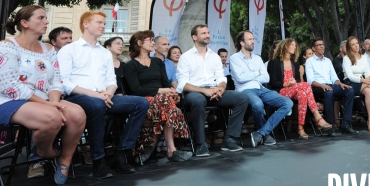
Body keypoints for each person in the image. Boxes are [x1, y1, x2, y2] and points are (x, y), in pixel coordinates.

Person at [0, 5, 86, 185]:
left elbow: (57, 80)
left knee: (77, 113)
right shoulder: (6, 46)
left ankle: (65, 160)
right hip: (5, 100)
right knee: (51, 117)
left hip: (42, 100)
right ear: (24, 22)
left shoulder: (48, 48)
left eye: (45, 18)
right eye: (40, 18)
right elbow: (10, 87)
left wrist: (55, 102)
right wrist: (49, 105)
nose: (46, 21)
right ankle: (46, 152)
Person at [58, 11, 150, 178]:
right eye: (99, 22)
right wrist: (94, 94)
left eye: (103, 23)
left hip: (104, 97)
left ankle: (121, 154)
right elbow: (64, 83)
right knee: (96, 104)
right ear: (85, 24)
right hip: (78, 98)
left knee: (141, 103)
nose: (103, 26)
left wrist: (108, 93)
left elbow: (111, 80)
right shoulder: (69, 50)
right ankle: (98, 161)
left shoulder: (104, 52)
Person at [179, 25, 249, 156]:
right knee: (198, 101)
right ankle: (200, 144)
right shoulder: (186, 57)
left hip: (214, 91)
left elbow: (221, 77)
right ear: (194, 37)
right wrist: (203, 91)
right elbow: (183, 84)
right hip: (194, 93)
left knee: (242, 98)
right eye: (203, 33)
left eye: (208, 32)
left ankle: (229, 139)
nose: (207, 35)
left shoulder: (214, 57)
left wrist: (221, 89)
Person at [124, 30, 191, 163]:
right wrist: (162, 91)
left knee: (167, 102)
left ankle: (155, 146)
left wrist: (173, 92)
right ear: (139, 43)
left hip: (162, 100)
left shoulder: (157, 62)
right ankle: (170, 149)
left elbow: (166, 82)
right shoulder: (130, 65)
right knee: (169, 105)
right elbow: (136, 90)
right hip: (143, 99)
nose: (153, 43)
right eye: (150, 40)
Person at [230, 30, 293, 147]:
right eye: (250, 39)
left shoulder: (257, 59)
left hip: (261, 88)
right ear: (242, 43)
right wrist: (257, 73)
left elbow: (266, 78)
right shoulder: (234, 58)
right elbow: (240, 78)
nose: (253, 41)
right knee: (258, 105)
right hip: (245, 90)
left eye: (253, 39)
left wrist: (253, 75)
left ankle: (261, 132)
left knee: (287, 103)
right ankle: (265, 134)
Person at [28, 26, 74, 178]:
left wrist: (55, 101)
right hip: (34, 96)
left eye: (70, 38)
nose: (69, 41)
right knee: (43, 114)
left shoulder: (73, 55)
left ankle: (71, 155)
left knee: (77, 112)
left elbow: (60, 82)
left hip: (60, 94)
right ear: (53, 42)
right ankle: (37, 160)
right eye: (64, 38)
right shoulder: (42, 54)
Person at [267, 39, 333, 139]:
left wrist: (294, 82)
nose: (294, 47)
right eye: (292, 45)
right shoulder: (274, 62)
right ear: (285, 46)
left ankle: (300, 128)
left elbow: (297, 80)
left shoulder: (295, 63)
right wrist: (287, 84)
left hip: (293, 90)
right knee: (306, 85)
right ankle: (318, 117)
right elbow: (273, 83)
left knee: (302, 94)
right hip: (280, 91)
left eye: (295, 45)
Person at [306, 37, 358, 136]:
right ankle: (330, 127)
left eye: (322, 44)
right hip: (317, 87)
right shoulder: (310, 61)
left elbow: (334, 78)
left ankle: (346, 125)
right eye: (319, 45)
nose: (322, 46)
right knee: (329, 93)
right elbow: (310, 81)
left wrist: (341, 84)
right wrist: (322, 86)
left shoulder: (328, 61)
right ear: (313, 48)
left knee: (349, 91)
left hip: (331, 85)